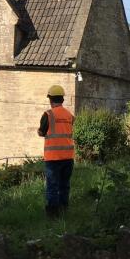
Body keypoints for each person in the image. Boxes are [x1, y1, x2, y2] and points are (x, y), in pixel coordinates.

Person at [37, 85, 75, 218]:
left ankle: (52, 216)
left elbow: (42, 132)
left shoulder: (48, 114)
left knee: (52, 187)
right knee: (65, 185)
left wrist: (39, 131)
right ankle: (64, 211)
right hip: (68, 157)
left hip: (53, 158)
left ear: (50, 99)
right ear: (62, 99)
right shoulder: (70, 115)